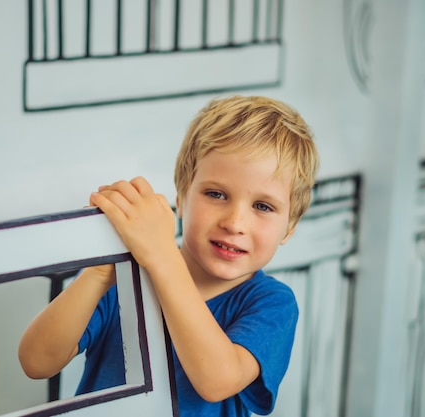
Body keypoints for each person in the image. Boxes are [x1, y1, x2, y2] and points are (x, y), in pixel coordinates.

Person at [18, 95, 320, 417]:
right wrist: (98, 274)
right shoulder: (123, 279)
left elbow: (217, 380)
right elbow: (36, 362)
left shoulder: (271, 303)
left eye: (263, 207)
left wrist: (161, 255)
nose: (234, 223)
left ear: (289, 227)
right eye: (216, 194)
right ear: (182, 195)